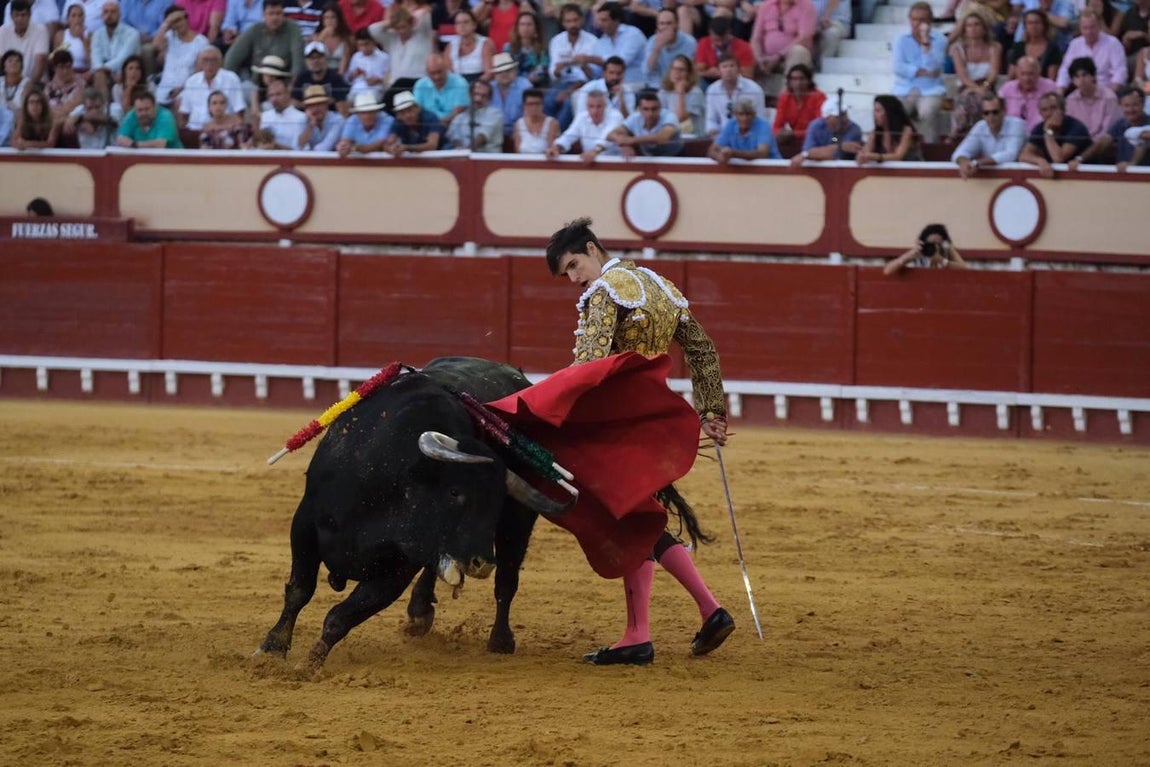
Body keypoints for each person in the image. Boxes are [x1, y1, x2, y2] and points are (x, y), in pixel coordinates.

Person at [544, 217, 733, 666]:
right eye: (567, 275)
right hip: (653, 420)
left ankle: (641, 634)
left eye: (574, 266)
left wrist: (553, 411)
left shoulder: (604, 292)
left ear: (592, 249)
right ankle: (705, 612)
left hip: (616, 424)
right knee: (642, 519)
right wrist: (712, 411)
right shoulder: (660, 285)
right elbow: (702, 349)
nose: (574, 280)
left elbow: (588, 366)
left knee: (626, 521)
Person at [892, 1, 948, 143]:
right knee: (894, 110)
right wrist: (917, 71)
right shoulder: (900, 40)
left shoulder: (940, 40)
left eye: (922, 20)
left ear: (930, 21)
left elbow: (932, 68)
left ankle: (930, 149)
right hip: (904, 88)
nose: (918, 23)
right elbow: (897, 67)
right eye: (914, 19)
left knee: (928, 111)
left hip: (931, 89)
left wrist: (925, 42)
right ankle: (899, 147)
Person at [224, 0, 306, 87]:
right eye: (271, 14)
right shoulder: (254, 30)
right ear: (263, 15)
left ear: (283, 14)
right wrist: (231, 83)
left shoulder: (294, 29)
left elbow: (298, 61)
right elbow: (232, 59)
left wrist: (292, 86)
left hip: (284, 83)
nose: (275, 17)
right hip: (256, 83)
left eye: (278, 13)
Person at [949, 7, 1002, 139]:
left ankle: (965, 134)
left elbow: (993, 72)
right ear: (964, 29)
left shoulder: (994, 47)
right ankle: (963, 135)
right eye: (969, 25)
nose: (973, 28)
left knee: (979, 99)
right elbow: (962, 76)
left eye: (977, 25)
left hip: (988, 86)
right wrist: (977, 89)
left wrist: (984, 87)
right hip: (966, 87)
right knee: (969, 98)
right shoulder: (958, 49)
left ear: (984, 28)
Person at [1069, 85, 1150, 170]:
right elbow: (1102, 143)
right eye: (1126, 106)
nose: (1131, 109)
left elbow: (1142, 144)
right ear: (1121, 106)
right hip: (1123, 175)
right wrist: (1080, 159)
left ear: (1143, 104)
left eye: (1135, 105)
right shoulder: (1120, 124)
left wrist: (1132, 164)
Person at [951, 91, 1028, 176]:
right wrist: (963, 162)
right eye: (986, 113)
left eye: (995, 112)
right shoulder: (980, 126)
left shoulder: (1017, 125)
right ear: (983, 115)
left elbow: (1010, 154)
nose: (991, 116)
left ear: (1003, 112)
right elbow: (959, 153)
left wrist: (977, 163)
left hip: (1019, 175)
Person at [1018, 91, 1092, 176]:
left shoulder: (1076, 127)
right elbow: (1023, 155)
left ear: (1063, 109)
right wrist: (1040, 161)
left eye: (1053, 108)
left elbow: (1058, 159)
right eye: (1044, 110)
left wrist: (1048, 131)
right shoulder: (1039, 128)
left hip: (1089, 174)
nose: (1049, 113)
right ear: (1040, 113)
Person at [545, 3, 599, 119]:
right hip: (562, 83)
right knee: (547, 101)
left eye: (575, 20)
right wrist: (557, 71)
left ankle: (560, 134)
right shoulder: (556, 41)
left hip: (585, 85)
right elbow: (553, 72)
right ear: (563, 23)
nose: (573, 24)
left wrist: (570, 90)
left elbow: (594, 76)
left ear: (582, 20)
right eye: (568, 21)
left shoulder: (593, 41)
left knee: (569, 104)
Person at [1056, 8, 1128, 89]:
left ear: (1099, 26)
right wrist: (1060, 90)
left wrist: (1110, 94)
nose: (1089, 32)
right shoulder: (1075, 44)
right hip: (1080, 91)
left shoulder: (1113, 43)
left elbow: (1120, 72)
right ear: (1080, 29)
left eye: (1092, 27)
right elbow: (1065, 70)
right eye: (1085, 28)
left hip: (1106, 90)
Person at [154, 4, 210, 106]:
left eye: (179, 20)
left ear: (186, 19)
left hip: (187, 88)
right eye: (173, 22)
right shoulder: (170, 37)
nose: (177, 24)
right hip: (165, 88)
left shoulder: (201, 42)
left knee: (180, 102)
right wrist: (166, 24)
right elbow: (156, 45)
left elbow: (199, 74)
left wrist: (182, 89)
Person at [546, 88, 622, 162]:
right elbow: (569, 136)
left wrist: (594, 152)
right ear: (586, 106)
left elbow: (607, 137)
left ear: (605, 106)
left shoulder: (615, 116)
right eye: (591, 106)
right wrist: (557, 147)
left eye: (599, 106)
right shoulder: (582, 117)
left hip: (614, 161)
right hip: (589, 162)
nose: (595, 111)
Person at [179, 45, 245, 131]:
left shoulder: (231, 79)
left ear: (221, 62)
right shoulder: (191, 81)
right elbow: (184, 112)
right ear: (199, 62)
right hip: (195, 130)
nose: (209, 63)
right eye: (205, 60)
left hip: (223, 130)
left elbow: (239, 111)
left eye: (213, 60)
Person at [750, 0, 817, 81]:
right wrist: (759, 58)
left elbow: (804, 38)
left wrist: (778, 56)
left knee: (799, 51)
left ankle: (788, 92)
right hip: (766, 58)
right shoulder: (766, 6)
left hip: (790, 57)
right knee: (744, 52)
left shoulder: (806, 6)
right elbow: (756, 38)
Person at [703, 53, 766, 136]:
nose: (729, 70)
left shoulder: (754, 89)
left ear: (738, 69)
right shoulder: (712, 90)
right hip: (721, 136)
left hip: (749, 135)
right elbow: (711, 120)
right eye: (724, 67)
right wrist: (714, 133)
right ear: (718, 71)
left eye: (732, 66)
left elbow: (760, 118)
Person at [608, 88, 683, 157]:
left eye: (654, 109)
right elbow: (611, 135)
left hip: (676, 157)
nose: (650, 113)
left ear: (660, 108)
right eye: (646, 109)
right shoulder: (635, 117)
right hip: (648, 157)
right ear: (639, 109)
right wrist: (624, 145)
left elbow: (663, 137)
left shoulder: (669, 116)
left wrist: (631, 140)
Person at [709, 96, 782, 163]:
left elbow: (762, 153)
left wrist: (733, 153)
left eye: (748, 114)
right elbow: (712, 150)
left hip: (770, 168)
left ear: (754, 115)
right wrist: (719, 157)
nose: (745, 118)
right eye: (741, 114)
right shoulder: (731, 124)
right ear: (735, 115)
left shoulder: (763, 125)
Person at [790, 98, 863, 164]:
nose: (844, 119)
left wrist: (809, 154)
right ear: (827, 118)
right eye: (839, 116)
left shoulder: (853, 129)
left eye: (845, 114)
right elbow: (807, 150)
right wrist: (840, 146)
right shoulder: (816, 126)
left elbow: (837, 155)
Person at [772, 63, 825, 152]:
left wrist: (794, 134)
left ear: (809, 81)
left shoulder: (819, 97)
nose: (798, 83)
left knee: (834, 139)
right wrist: (779, 134)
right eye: (794, 79)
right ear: (789, 82)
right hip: (794, 140)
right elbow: (776, 127)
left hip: (817, 140)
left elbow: (820, 129)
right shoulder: (784, 97)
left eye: (802, 79)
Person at [1064, 56, 1120, 139]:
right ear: (1073, 81)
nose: (1081, 80)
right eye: (1077, 77)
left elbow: (1108, 129)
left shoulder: (1109, 97)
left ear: (1093, 76)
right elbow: (1069, 128)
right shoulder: (1070, 100)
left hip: (1103, 143)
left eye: (1084, 75)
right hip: (1078, 143)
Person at [589, 2, 645, 86]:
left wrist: (592, 59)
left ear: (616, 20)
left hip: (634, 83)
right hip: (609, 85)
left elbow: (620, 63)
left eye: (604, 20)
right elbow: (596, 73)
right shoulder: (601, 41)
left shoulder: (633, 34)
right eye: (599, 20)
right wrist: (583, 65)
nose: (600, 24)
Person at [857, 94, 922, 163]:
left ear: (889, 112)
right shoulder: (875, 133)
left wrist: (875, 156)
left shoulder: (906, 130)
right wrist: (861, 155)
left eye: (878, 111)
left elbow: (898, 156)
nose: (874, 114)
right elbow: (865, 152)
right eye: (874, 111)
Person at [999, 55, 1059, 130]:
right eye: (1023, 74)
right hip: (1012, 134)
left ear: (1038, 72)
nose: (1026, 78)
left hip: (1041, 134)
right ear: (1017, 73)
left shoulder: (1050, 87)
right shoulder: (1007, 89)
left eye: (1030, 74)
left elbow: (1058, 115)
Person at [89, 1, 139, 89]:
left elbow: (122, 59)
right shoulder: (97, 34)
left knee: (99, 74)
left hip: (125, 73)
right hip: (105, 74)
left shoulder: (132, 34)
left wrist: (101, 69)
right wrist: (100, 70)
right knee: (99, 75)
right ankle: (103, 102)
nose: (109, 15)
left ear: (119, 15)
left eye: (113, 12)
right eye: (106, 12)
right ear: (101, 16)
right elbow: (95, 58)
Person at [883, 223, 968, 274]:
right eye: (931, 243)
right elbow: (888, 270)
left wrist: (942, 260)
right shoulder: (921, 251)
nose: (935, 247)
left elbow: (964, 269)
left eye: (938, 244)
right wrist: (910, 255)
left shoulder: (947, 249)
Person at [642, 8, 695, 89]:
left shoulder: (689, 42)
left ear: (677, 24)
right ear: (657, 26)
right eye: (662, 24)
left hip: (681, 86)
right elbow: (646, 71)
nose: (665, 27)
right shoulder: (652, 41)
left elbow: (690, 71)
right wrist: (657, 48)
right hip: (656, 87)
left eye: (669, 23)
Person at [0, 1, 51, 85]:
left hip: (36, 84)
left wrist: (26, 89)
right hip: (9, 84)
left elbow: (40, 63)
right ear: (11, 16)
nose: (20, 19)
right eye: (16, 15)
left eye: (23, 15)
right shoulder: (2, 32)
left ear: (30, 15)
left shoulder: (40, 30)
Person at [412, 52, 469, 127]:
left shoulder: (460, 83)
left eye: (439, 72)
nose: (437, 77)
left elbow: (459, 112)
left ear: (446, 68)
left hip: (454, 126)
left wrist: (438, 125)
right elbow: (417, 110)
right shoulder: (420, 84)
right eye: (433, 73)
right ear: (427, 72)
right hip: (427, 126)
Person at [447, 77, 503, 151]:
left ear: (490, 99)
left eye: (484, 96)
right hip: (463, 157)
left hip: (488, 158)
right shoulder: (460, 117)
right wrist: (460, 149)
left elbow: (482, 138)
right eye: (476, 94)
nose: (478, 99)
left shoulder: (495, 114)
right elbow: (453, 136)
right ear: (470, 95)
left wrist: (465, 152)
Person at [694, 14, 754, 84]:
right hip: (710, 81)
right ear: (710, 34)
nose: (720, 43)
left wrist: (727, 73)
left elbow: (748, 76)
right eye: (716, 40)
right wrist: (708, 73)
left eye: (723, 39)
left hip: (736, 82)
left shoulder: (744, 47)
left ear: (730, 33)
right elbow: (698, 71)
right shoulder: (704, 43)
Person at [292, 39, 351, 109]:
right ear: (306, 61)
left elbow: (343, 102)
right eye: (311, 58)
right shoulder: (302, 77)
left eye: (319, 57)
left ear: (326, 58)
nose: (315, 61)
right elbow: (293, 100)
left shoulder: (335, 78)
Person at [115, 88, 183, 147]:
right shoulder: (132, 115)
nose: (143, 113)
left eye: (147, 109)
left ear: (155, 107)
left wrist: (134, 144)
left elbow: (160, 144)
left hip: (171, 159)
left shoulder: (165, 116)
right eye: (140, 110)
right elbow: (120, 140)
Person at [658, 53, 705, 138]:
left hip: (692, 136)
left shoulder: (696, 92)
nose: (677, 73)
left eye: (681, 70)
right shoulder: (663, 92)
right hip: (669, 135)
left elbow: (681, 119)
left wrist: (680, 93)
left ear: (688, 73)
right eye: (674, 69)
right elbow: (660, 117)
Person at [386, 87, 446, 153]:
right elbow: (388, 143)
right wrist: (392, 149)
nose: (407, 115)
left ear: (418, 109)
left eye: (410, 110)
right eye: (402, 112)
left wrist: (406, 147)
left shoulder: (430, 118)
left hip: (441, 150)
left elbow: (432, 145)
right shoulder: (397, 122)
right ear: (398, 116)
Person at [1007, 9, 1062, 80]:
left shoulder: (1052, 48)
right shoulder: (1018, 47)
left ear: (1044, 26)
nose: (1034, 26)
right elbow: (1011, 75)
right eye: (1030, 23)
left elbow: (1052, 78)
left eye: (1037, 23)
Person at [255, 75, 307, 147]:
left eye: (278, 94)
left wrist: (276, 146)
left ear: (288, 94)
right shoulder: (265, 116)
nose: (274, 99)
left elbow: (298, 149)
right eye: (271, 95)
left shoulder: (301, 117)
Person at [336, 89, 393, 155]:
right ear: (357, 114)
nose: (367, 116)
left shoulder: (387, 120)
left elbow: (380, 144)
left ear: (377, 111)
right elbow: (345, 140)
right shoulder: (352, 120)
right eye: (363, 113)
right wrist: (343, 146)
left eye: (371, 112)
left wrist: (355, 148)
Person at [445, 8, 494, 83]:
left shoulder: (485, 43)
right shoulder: (451, 45)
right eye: (458, 23)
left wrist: (472, 86)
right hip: (457, 86)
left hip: (479, 85)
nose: (462, 26)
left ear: (474, 25)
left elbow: (489, 73)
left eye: (466, 22)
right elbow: (447, 71)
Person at [504, 10, 550, 88]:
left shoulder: (543, 48)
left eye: (529, 25)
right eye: (522, 24)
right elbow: (507, 71)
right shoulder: (508, 48)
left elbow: (544, 69)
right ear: (517, 28)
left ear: (536, 28)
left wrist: (530, 79)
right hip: (514, 86)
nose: (525, 28)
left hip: (537, 86)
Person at [490, 50, 530, 136]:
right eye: (500, 72)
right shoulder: (490, 88)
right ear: (494, 75)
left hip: (520, 130)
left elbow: (529, 114)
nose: (504, 74)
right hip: (493, 131)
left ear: (515, 70)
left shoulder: (524, 85)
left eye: (508, 71)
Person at [309, 1, 353, 74]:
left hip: (341, 73)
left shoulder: (347, 37)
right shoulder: (315, 37)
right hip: (320, 73)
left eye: (333, 17)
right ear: (322, 20)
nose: (330, 21)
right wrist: (322, 37)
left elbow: (345, 61)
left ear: (339, 19)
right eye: (326, 18)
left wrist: (337, 78)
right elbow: (312, 58)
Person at [345, 27, 388, 99]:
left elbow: (388, 77)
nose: (364, 48)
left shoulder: (384, 57)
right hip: (356, 88)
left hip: (375, 89)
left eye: (366, 44)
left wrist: (379, 79)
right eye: (360, 45)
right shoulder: (356, 56)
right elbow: (348, 78)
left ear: (374, 42)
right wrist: (353, 74)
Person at [297, 82, 344, 149]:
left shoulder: (338, 120)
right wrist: (310, 126)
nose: (316, 108)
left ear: (327, 105)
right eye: (312, 105)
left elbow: (326, 147)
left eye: (319, 104)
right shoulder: (304, 120)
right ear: (307, 108)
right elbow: (299, 146)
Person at [512, 85, 557, 152]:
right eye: (530, 104)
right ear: (524, 105)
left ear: (543, 104)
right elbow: (518, 151)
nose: (534, 107)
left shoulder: (552, 123)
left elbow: (552, 150)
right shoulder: (519, 124)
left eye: (537, 104)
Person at [53, 4, 91, 75]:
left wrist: (83, 40)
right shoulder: (60, 35)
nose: (77, 19)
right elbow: (55, 60)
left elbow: (93, 63)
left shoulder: (90, 35)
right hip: (65, 73)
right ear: (68, 19)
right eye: (73, 16)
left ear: (84, 18)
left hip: (84, 74)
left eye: (80, 15)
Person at [2, 50, 29, 115]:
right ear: (4, 67)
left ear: (21, 67)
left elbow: (25, 109)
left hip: (18, 119)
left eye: (17, 61)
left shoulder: (27, 84)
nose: (14, 63)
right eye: (10, 61)